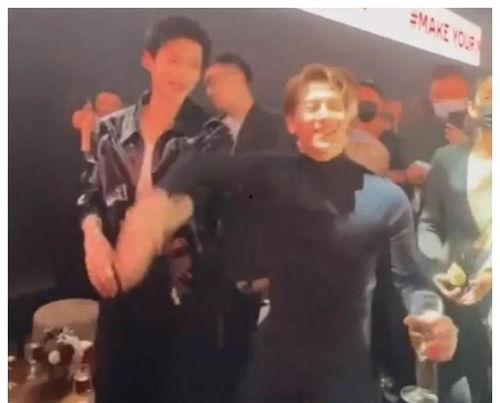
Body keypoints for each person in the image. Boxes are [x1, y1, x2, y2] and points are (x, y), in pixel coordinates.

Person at [114, 64, 458, 403]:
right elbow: (199, 166)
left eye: (334, 106)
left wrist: (431, 314)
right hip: (274, 368)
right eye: (312, 106)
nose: (323, 115)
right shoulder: (273, 174)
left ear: (348, 118)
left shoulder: (387, 199)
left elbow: (410, 280)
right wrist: (154, 207)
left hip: (346, 374)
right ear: (292, 123)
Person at [76, 16, 229, 403]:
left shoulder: (211, 134)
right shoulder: (111, 129)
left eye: (193, 65)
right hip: (119, 287)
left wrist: (152, 229)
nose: (183, 73)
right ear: (149, 59)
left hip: (182, 293)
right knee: (115, 386)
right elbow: (89, 192)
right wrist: (93, 238)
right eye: (173, 60)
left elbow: (207, 204)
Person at [417, 76, 492, 403]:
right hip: (456, 303)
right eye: (489, 97)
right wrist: (436, 267)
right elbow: (429, 223)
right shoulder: (447, 159)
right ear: (472, 108)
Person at [399, 65, 472, 212]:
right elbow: (396, 172)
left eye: (452, 94)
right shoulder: (416, 131)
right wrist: (409, 176)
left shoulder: (483, 131)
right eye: (437, 95)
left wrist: (469, 149)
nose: (444, 100)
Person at [345, 80, 390, 175]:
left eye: (370, 105)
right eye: (361, 103)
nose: (365, 109)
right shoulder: (332, 140)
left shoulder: (381, 150)